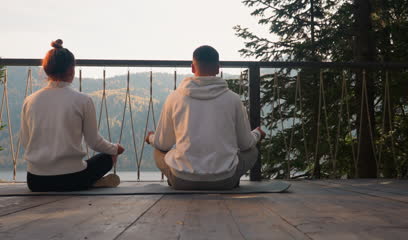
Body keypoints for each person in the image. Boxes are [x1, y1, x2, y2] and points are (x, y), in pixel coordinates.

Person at [145, 45, 265, 190]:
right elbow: (245, 144)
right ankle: (232, 180)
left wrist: (151, 137)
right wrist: (257, 133)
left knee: (158, 150)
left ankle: (174, 177)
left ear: (192, 67)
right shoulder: (233, 99)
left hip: (182, 180)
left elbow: (163, 144)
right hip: (224, 181)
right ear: (218, 68)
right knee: (252, 151)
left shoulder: (174, 98)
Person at [20, 39, 125, 192]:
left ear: (46, 69)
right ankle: (91, 182)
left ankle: (91, 182)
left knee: (101, 159)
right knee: (107, 158)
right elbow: (94, 142)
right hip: (72, 178)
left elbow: (25, 141)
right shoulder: (83, 100)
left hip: (36, 181)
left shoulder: (29, 101)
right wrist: (115, 149)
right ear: (71, 70)